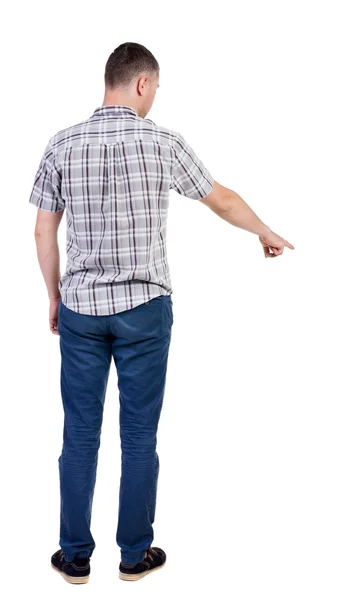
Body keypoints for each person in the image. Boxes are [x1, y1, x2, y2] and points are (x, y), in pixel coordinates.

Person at [29, 42, 295, 584]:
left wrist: (54, 296)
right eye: (156, 89)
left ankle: (75, 556)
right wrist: (264, 231)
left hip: (80, 310)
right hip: (146, 313)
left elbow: (43, 229)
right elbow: (219, 198)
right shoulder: (163, 141)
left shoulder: (61, 144)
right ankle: (133, 556)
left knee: (79, 433)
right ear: (143, 84)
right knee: (139, 435)